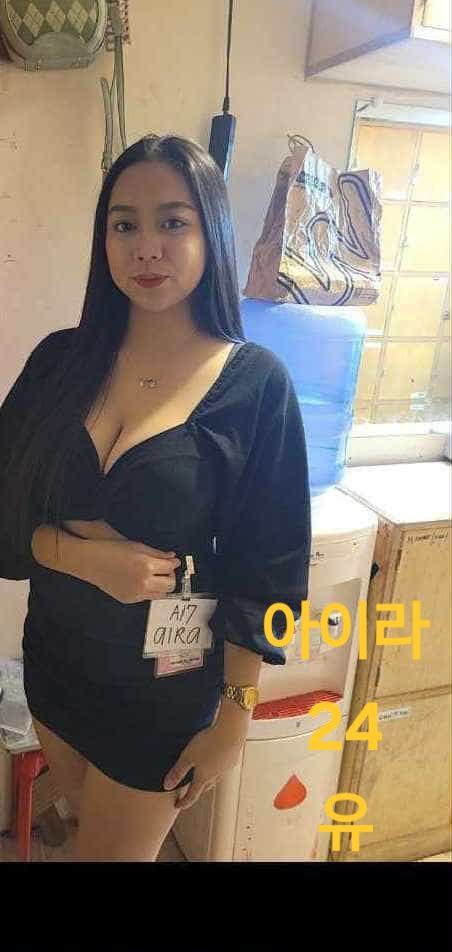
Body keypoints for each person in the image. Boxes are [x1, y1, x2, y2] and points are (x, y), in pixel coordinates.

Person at [0, 134, 311, 862]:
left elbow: (269, 568)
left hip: (161, 699)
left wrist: (235, 716)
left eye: (173, 222)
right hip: (54, 667)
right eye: (124, 224)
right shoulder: (59, 361)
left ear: (212, 233)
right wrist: (80, 558)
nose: (146, 247)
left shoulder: (256, 385)